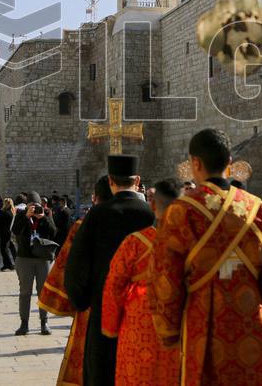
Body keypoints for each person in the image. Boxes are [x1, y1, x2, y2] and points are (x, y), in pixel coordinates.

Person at [150, 128, 262, 385]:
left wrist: (169, 328)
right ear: (230, 163)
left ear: (195, 163)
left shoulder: (180, 211)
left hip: (201, 322)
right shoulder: (258, 208)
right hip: (250, 319)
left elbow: (165, 278)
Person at [65, 155, 154, 385]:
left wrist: (83, 300)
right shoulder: (151, 214)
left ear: (111, 182)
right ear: (138, 181)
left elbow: (77, 266)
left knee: (102, 373)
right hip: (146, 314)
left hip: (104, 313)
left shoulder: (97, 215)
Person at [102, 178, 182, 386]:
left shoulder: (134, 242)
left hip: (139, 321)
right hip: (181, 322)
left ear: (153, 205)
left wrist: (110, 327)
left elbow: (114, 286)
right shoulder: (192, 241)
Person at [39, 178, 112, 386]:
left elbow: (67, 269)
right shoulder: (147, 220)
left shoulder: (83, 226)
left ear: (95, 198)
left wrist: (75, 301)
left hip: (92, 308)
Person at [12, 191, 57, 335]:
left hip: (42, 258)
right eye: (31, 206)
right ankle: (24, 323)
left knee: (43, 291)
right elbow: (15, 230)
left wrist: (43, 218)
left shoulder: (47, 214)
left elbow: (54, 232)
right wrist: (27, 217)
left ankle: (44, 322)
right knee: (25, 291)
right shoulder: (21, 214)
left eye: (36, 206)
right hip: (25, 257)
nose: (34, 208)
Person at [0, 197, 16, 271]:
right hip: (8, 233)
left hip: (5, 233)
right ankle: (8, 264)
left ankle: (8, 265)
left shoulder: (6, 212)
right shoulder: (12, 212)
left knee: (4, 249)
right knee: (10, 248)